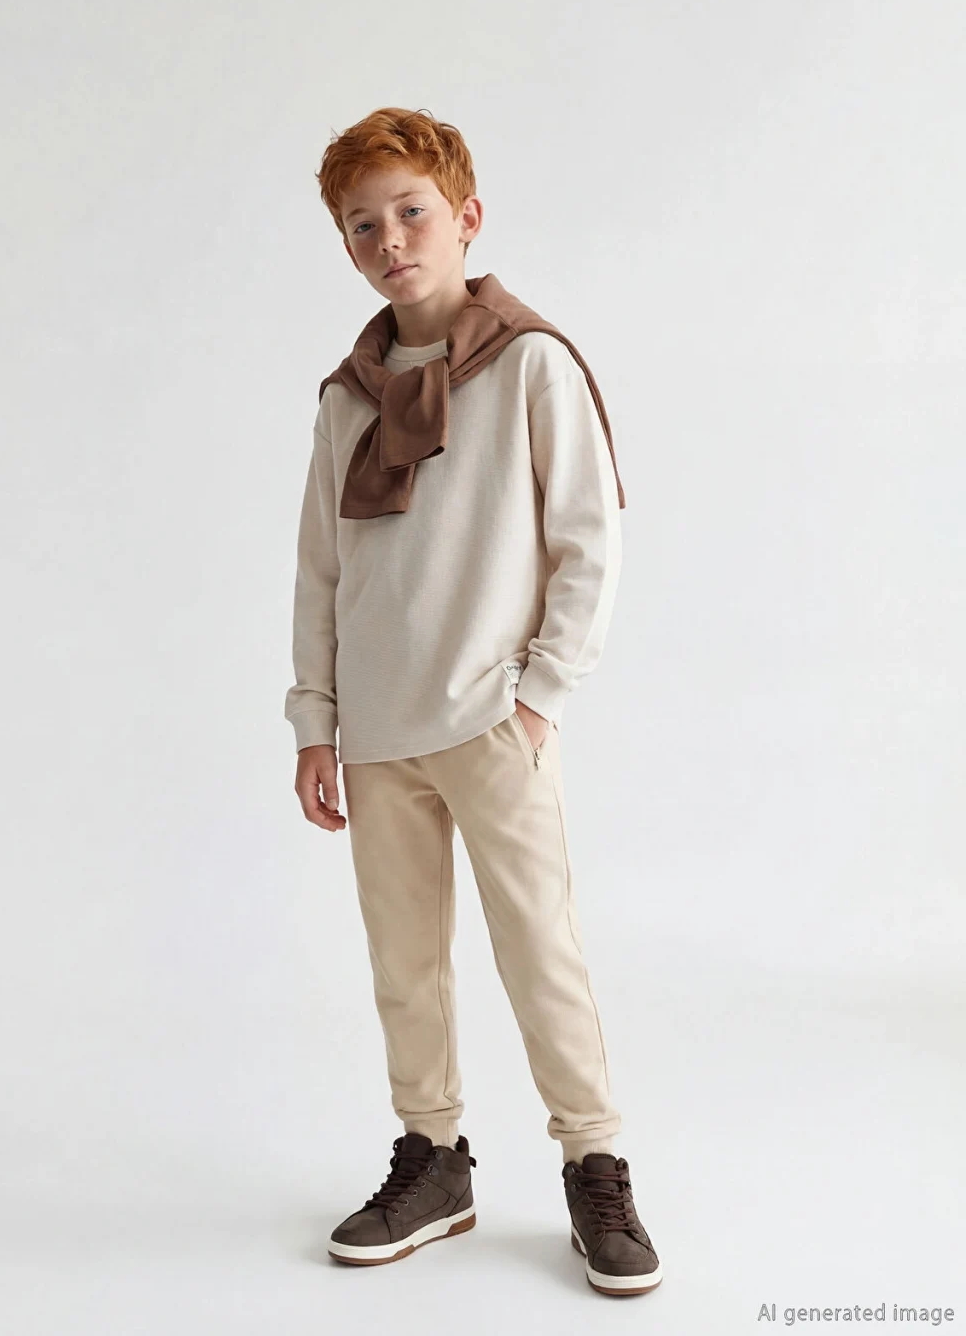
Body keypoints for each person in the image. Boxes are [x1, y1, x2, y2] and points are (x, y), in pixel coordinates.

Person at [284, 106, 662, 1298]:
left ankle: (594, 1163)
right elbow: (320, 571)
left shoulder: (531, 364)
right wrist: (315, 721)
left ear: (466, 218)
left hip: (495, 723)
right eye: (362, 226)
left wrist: (538, 698)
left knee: (538, 949)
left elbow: (589, 542)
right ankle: (434, 1158)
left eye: (411, 213)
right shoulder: (346, 398)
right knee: (404, 963)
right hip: (378, 732)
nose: (389, 240)